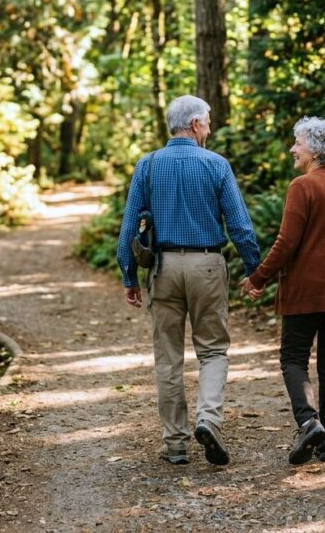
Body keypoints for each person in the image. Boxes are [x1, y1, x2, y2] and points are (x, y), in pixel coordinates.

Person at [117, 95, 261, 467]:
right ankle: (208, 420)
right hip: (208, 266)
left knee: (168, 357)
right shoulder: (217, 165)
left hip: (163, 269)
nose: (210, 129)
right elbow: (241, 226)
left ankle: (176, 444)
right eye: (208, 122)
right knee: (213, 350)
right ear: (195, 124)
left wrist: (129, 275)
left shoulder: (147, 165)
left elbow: (129, 228)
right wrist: (254, 269)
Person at [240, 117, 325, 465]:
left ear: (314, 149)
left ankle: (308, 422)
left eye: (297, 143)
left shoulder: (302, 186)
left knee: (293, 357)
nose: (293, 149)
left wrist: (258, 278)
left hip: (305, 290)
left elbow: (286, 242)